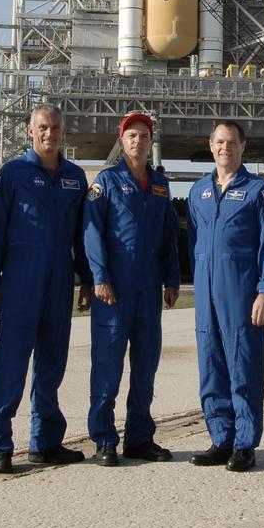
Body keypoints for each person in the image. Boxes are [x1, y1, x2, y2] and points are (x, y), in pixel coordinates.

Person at [0, 104, 89, 473]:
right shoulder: (12, 174)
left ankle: (45, 442)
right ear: (30, 130)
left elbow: (82, 235)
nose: (50, 134)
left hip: (59, 278)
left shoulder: (76, 176)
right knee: (10, 362)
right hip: (19, 277)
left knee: (52, 363)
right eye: (43, 127)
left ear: (63, 132)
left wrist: (86, 278)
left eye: (55, 128)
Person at [186, 120, 264, 472]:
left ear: (243, 146)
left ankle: (244, 443)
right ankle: (220, 438)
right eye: (219, 141)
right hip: (206, 291)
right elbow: (194, 240)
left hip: (241, 291)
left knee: (243, 366)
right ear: (210, 145)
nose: (225, 147)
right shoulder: (198, 191)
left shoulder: (260, 191)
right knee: (211, 366)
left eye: (232, 142)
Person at [83, 112, 180, 465]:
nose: (138, 141)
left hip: (149, 287)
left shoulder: (160, 185)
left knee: (145, 365)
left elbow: (169, 236)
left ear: (151, 142)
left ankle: (139, 437)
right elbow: (92, 232)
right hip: (114, 288)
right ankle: (104, 438)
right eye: (131, 135)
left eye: (144, 135)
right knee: (108, 363)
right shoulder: (105, 182)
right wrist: (100, 276)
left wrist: (172, 279)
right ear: (122, 141)